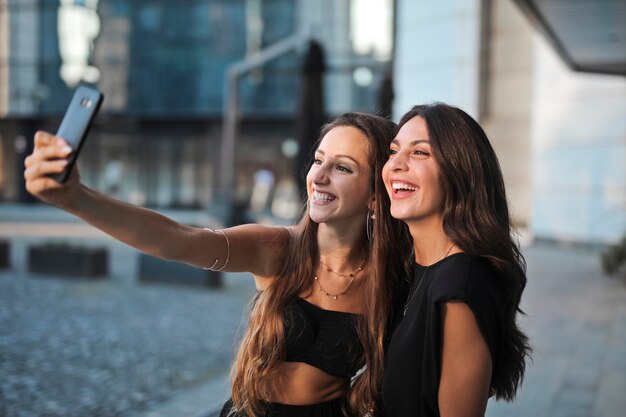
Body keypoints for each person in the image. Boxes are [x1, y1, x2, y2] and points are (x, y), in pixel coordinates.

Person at [24, 112, 411, 417]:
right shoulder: (279, 249)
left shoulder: (391, 279)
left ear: (377, 196)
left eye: (343, 168)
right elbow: (179, 240)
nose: (319, 177)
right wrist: (75, 198)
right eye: (317, 160)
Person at [379, 103, 531, 416]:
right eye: (393, 151)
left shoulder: (458, 288)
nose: (395, 164)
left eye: (420, 152)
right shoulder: (413, 268)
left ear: (459, 171)